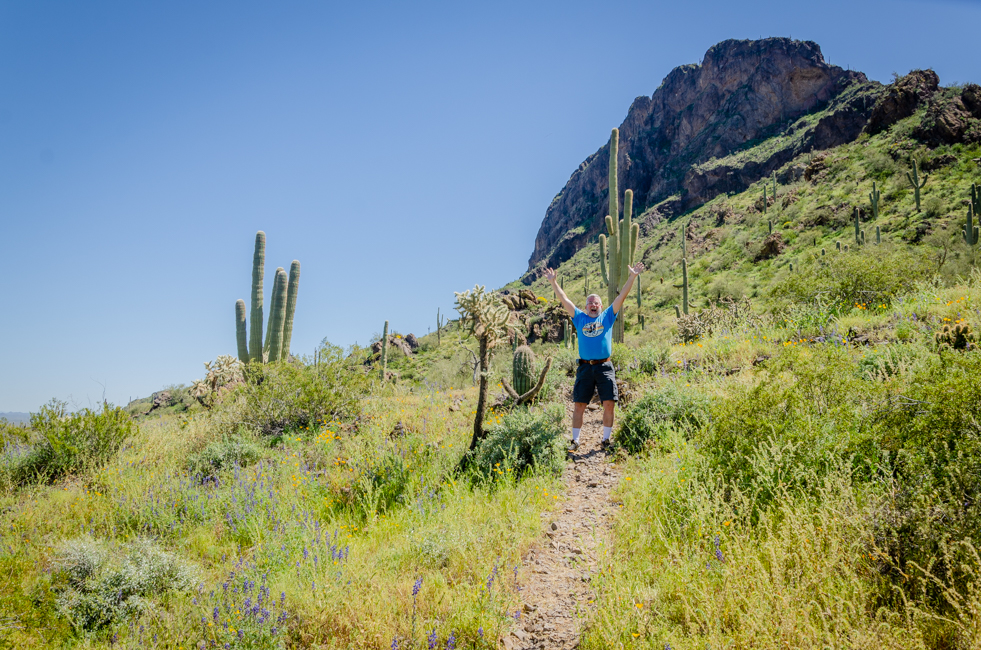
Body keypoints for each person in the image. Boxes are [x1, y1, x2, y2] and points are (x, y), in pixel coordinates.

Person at [543, 262, 645, 451]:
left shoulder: (607, 316)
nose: (593, 305)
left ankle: (606, 440)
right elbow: (565, 299)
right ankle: (575, 440)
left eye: (596, 303)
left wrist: (632, 277)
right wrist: (553, 283)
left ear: (600, 306)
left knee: (609, 403)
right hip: (585, 367)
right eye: (590, 303)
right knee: (579, 404)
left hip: (604, 367)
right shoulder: (579, 317)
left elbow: (621, 297)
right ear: (586, 306)